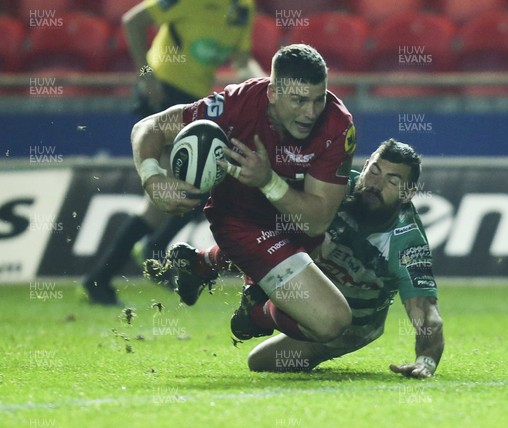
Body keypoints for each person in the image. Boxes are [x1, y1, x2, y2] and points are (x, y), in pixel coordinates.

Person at [154, 139, 444, 378]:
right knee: (291, 220)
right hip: (306, 274)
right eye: (375, 172)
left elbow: (425, 311)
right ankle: (204, 264)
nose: (376, 185)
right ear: (364, 166)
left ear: (408, 193)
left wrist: (425, 362)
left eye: (392, 181)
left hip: (352, 325)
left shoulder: (406, 241)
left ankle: (257, 309)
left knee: (261, 362)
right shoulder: (333, 189)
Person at [132, 44, 358, 343]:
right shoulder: (234, 105)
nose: (311, 112)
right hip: (241, 222)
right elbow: (149, 126)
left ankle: (207, 268)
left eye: (318, 100)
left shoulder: (338, 125)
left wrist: (267, 180)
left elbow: (316, 221)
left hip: (298, 222)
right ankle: (255, 306)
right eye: (299, 100)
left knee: (341, 239)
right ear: (273, 93)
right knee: (333, 322)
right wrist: (152, 178)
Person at [82, 0, 265, 305]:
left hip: (195, 103)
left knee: (190, 190)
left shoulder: (242, 7)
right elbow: (133, 22)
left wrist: (264, 84)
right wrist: (146, 76)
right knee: (185, 189)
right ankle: (116, 269)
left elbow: (242, 59)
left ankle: (110, 272)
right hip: (164, 94)